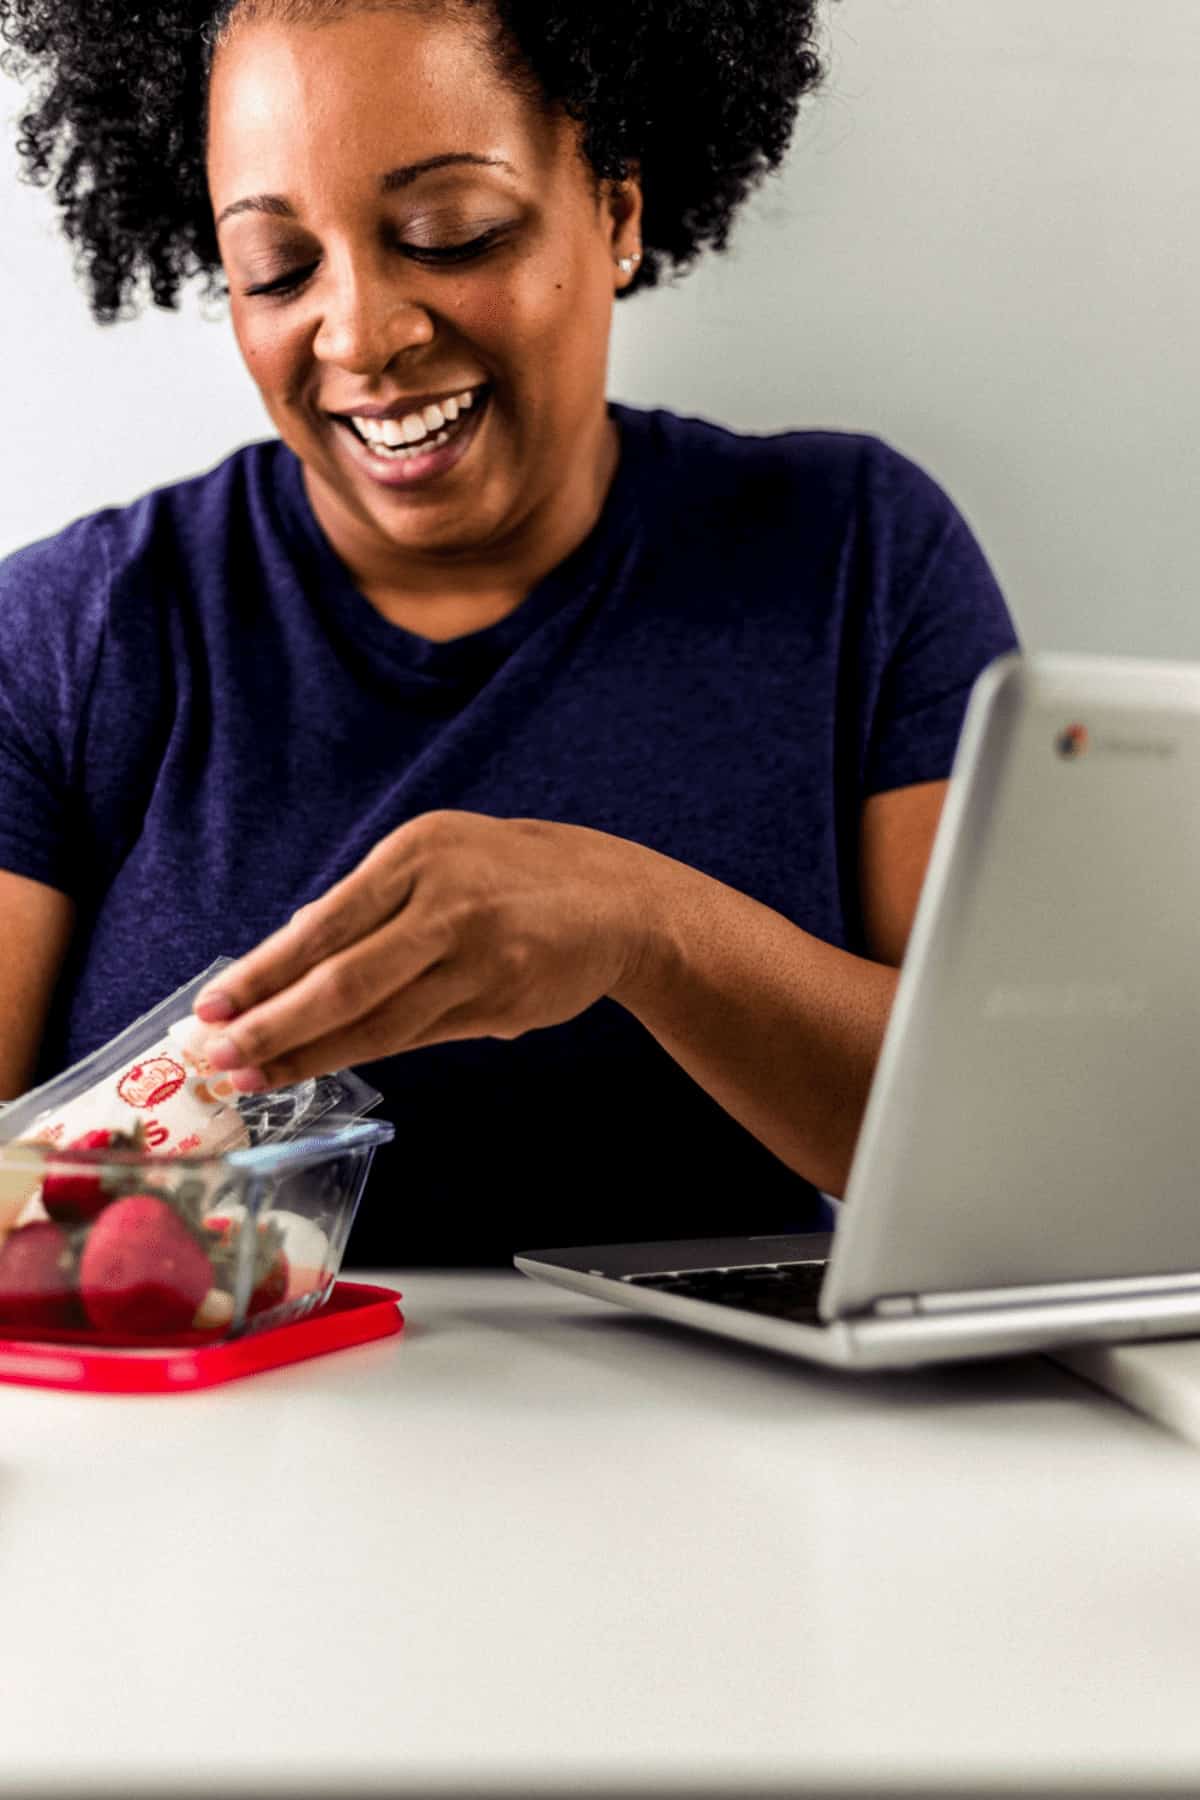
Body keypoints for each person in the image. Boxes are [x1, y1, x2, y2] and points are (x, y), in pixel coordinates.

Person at [0, 0, 1018, 1265]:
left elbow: (1013, 1150)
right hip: (206, 1446)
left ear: (619, 210)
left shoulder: (855, 556)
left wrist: (646, 928)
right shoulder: (75, 631)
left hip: (746, 1457)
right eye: (277, 267)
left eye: (450, 233)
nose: (363, 334)